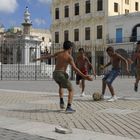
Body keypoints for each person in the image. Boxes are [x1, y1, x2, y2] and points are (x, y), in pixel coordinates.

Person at [34, 41, 93, 113]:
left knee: (61, 86)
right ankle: (69, 107)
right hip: (61, 74)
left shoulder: (59, 53)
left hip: (55, 74)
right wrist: (85, 76)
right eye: (72, 48)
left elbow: (49, 56)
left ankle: (61, 101)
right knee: (71, 90)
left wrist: (38, 59)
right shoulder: (69, 57)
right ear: (70, 48)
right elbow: (75, 68)